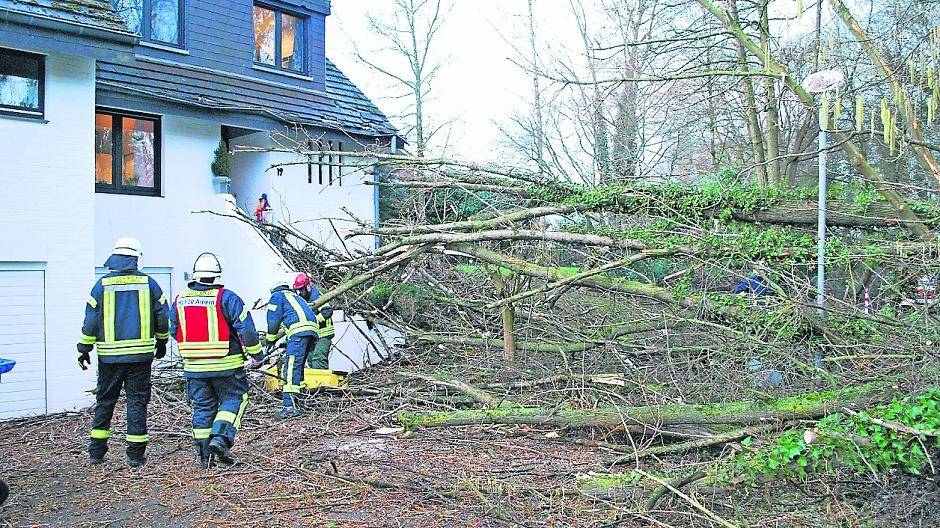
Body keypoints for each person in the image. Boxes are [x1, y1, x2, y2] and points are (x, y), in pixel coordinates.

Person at [78, 237, 169, 467]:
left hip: (109, 357)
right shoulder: (150, 284)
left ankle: (97, 452)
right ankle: (135, 455)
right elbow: (162, 315)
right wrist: (162, 342)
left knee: (105, 401)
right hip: (140, 356)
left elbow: (91, 321)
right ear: (136, 258)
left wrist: (84, 348)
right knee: (137, 402)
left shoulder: (102, 285)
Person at [169, 253, 263, 467]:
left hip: (194, 368)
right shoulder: (227, 298)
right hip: (227, 365)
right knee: (234, 400)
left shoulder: (180, 299)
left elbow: (174, 329)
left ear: (195, 276)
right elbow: (246, 329)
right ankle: (220, 439)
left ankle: (204, 458)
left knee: (202, 408)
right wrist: (256, 355)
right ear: (217, 276)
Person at [265, 277, 318, 419]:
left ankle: (290, 406)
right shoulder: (295, 296)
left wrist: (269, 341)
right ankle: (299, 402)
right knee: (298, 368)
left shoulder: (277, 296)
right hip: (310, 332)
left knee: (290, 368)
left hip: (298, 333)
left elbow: (273, 320)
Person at [294, 272, 334, 370]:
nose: (300, 293)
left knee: (318, 358)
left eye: (301, 290)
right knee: (310, 359)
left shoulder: (316, 295)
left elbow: (327, 312)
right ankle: (315, 382)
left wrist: (313, 321)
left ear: (307, 286)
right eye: (298, 290)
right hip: (312, 334)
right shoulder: (301, 298)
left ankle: (323, 383)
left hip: (324, 333)